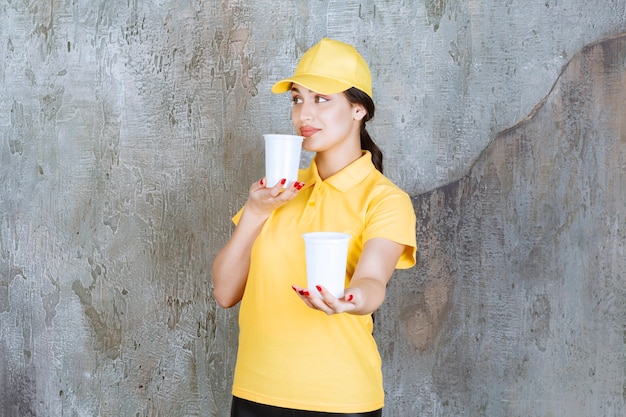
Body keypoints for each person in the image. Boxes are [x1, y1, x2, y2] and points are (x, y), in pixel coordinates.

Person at [212, 38, 417, 417]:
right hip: (256, 392)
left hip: (340, 399)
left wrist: (350, 300)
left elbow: (372, 280)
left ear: (358, 109)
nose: (304, 114)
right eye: (296, 99)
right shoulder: (277, 190)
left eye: (321, 99)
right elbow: (225, 293)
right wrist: (255, 214)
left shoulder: (385, 199)